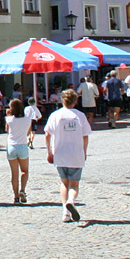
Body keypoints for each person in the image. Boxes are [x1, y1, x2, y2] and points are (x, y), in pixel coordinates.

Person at [45, 88, 91, 223]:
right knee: (74, 185)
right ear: (75, 101)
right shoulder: (80, 116)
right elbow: (85, 136)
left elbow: (47, 134)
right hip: (76, 153)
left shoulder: (55, 115)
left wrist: (49, 152)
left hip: (60, 153)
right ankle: (71, 201)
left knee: (64, 183)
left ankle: (65, 212)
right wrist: (84, 151)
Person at [5, 98, 32, 204]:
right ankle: (22, 190)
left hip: (11, 146)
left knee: (14, 173)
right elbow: (28, 132)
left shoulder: (9, 119)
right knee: (24, 171)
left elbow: (6, 129)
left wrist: (8, 115)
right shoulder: (27, 119)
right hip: (22, 145)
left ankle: (15, 196)